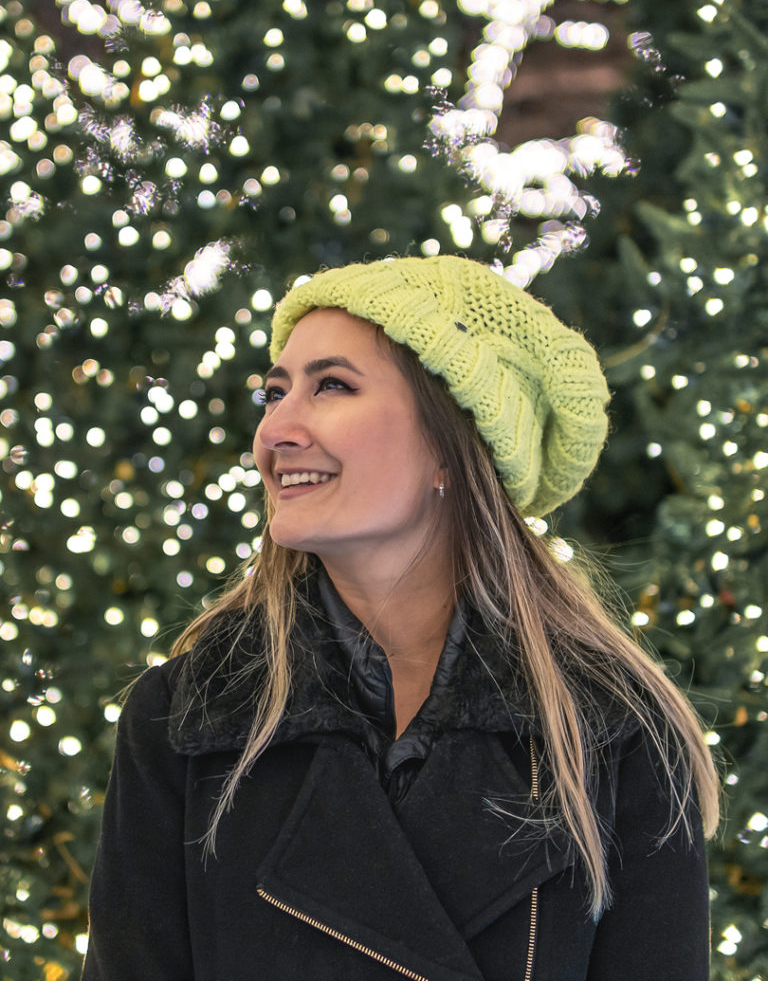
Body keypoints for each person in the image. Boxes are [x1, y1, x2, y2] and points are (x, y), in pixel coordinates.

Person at [83, 255, 719, 981]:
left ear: (452, 444)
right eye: (273, 392)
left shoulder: (612, 731)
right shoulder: (186, 720)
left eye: (331, 386)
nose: (275, 430)